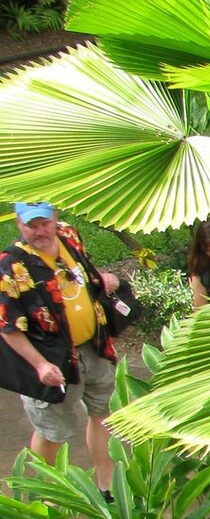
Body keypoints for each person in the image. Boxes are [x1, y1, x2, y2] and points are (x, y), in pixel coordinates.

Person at [0, 202, 122, 492]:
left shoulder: (68, 235)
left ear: (55, 218)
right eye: (31, 225)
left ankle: (108, 488)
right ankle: (49, 497)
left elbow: (82, 272)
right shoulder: (11, 266)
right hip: (53, 359)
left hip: (94, 347)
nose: (40, 231)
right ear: (19, 224)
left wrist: (101, 280)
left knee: (103, 413)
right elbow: (7, 326)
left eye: (44, 223)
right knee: (53, 430)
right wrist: (40, 365)